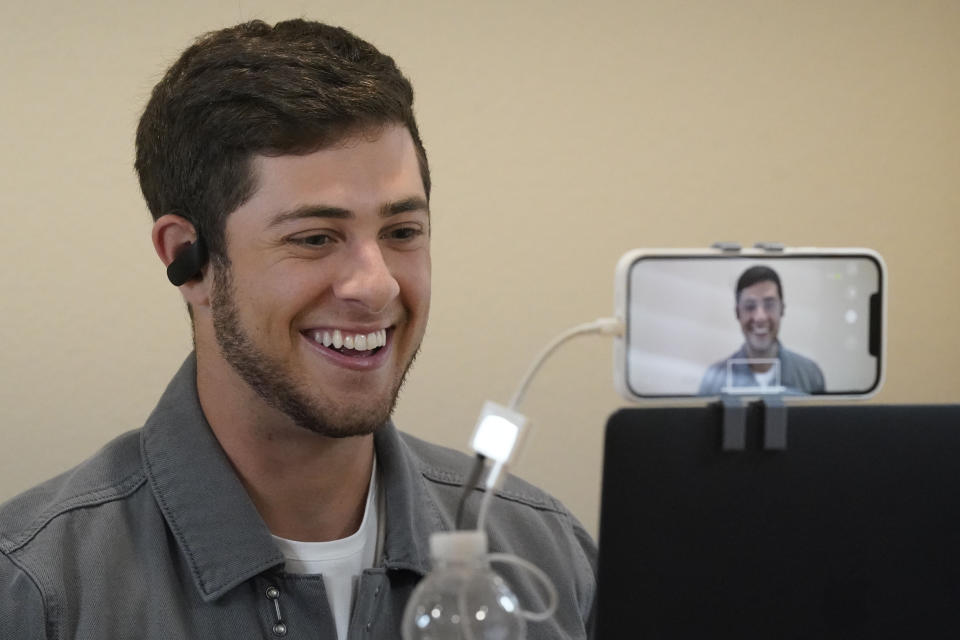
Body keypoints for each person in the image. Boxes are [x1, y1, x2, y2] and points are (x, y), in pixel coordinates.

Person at [0, 20, 596, 639]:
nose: (377, 286)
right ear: (189, 259)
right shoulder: (38, 589)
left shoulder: (547, 555)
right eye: (314, 239)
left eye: (401, 233)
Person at [699, 265, 825, 395]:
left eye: (769, 304)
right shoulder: (713, 381)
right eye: (750, 306)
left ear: (782, 309)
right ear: (737, 313)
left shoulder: (810, 375)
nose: (760, 317)